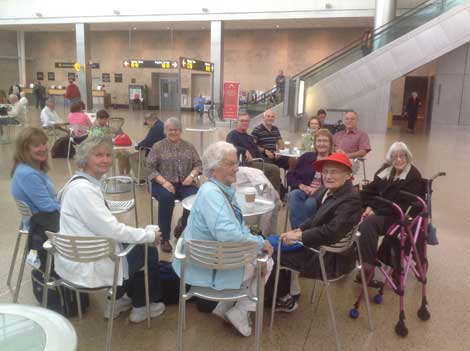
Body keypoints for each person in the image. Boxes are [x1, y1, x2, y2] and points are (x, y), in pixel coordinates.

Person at [56, 137, 165, 323]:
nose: (105, 159)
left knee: (134, 243)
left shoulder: (75, 184)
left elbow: (103, 226)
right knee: (148, 250)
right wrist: (148, 235)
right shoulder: (84, 190)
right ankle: (141, 307)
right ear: (84, 158)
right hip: (90, 262)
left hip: (79, 255)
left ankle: (119, 300)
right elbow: (112, 230)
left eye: (108, 155)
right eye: (98, 155)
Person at [172, 141, 274, 337]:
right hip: (210, 268)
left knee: (255, 249)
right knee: (267, 261)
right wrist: (260, 242)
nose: (236, 168)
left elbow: (235, 226)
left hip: (202, 261)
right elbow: (228, 234)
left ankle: (223, 306)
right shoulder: (213, 194)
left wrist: (253, 239)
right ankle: (240, 311)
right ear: (214, 167)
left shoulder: (215, 189)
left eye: (236, 163)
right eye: (230, 164)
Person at [270, 153, 361, 311]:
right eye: (325, 172)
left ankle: (283, 299)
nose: (328, 176)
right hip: (322, 248)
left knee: (271, 252)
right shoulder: (331, 191)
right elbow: (316, 219)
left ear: (348, 175)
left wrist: (300, 236)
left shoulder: (350, 200)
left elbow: (331, 232)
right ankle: (291, 291)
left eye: (334, 172)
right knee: (273, 241)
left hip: (329, 260)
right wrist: (300, 229)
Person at [358, 142, 423, 269]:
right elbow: (370, 190)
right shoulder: (385, 171)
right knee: (351, 212)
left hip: (397, 215)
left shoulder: (413, 176)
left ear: (407, 156)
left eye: (402, 156)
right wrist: (368, 206)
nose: (398, 159)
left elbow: (402, 205)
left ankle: (367, 265)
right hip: (380, 209)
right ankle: (349, 255)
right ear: (390, 158)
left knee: (368, 224)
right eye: (394, 156)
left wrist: (376, 211)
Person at [147, 117, 201, 253]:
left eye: (176, 130)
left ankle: (183, 223)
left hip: (184, 182)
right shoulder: (158, 146)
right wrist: (164, 182)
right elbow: (149, 168)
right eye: (170, 130)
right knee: (166, 198)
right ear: (166, 131)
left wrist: (191, 176)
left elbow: (198, 164)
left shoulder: (189, 146)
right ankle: (164, 237)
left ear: (180, 131)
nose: (173, 132)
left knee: (196, 197)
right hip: (162, 182)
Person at [287, 129, 334, 229]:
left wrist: (319, 190)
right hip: (303, 191)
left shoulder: (334, 161)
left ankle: (302, 234)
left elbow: (338, 183)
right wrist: (301, 186)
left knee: (309, 204)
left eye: (325, 141)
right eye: (319, 141)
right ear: (315, 143)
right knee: (293, 195)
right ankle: (300, 233)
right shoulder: (306, 157)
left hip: (323, 194)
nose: (321, 144)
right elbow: (290, 175)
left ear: (330, 144)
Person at [11, 127, 60, 217]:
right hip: (44, 226)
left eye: (44, 143)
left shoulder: (31, 168)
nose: (43, 148)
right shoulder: (28, 175)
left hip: (46, 220)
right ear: (25, 149)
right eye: (36, 145)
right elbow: (48, 208)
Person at [226, 114, 281, 192]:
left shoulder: (249, 137)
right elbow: (229, 147)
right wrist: (244, 150)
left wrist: (267, 157)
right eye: (242, 121)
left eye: (246, 121)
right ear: (237, 122)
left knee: (273, 165)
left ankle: (263, 192)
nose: (244, 123)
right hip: (245, 164)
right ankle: (273, 195)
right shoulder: (233, 134)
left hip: (257, 161)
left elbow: (257, 151)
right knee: (274, 169)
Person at [129, 113, 165, 184]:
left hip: (156, 154)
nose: (148, 126)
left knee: (132, 157)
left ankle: (141, 178)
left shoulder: (155, 128)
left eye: (147, 123)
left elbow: (148, 141)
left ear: (149, 120)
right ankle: (144, 176)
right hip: (163, 151)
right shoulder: (161, 125)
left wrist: (137, 146)